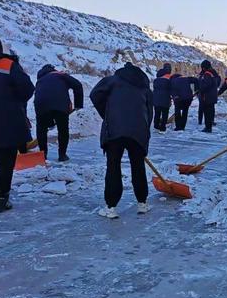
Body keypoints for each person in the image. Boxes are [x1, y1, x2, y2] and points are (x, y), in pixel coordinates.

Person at [90, 62, 154, 219]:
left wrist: (107, 113)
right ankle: (142, 204)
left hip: (115, 130)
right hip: (138, 131)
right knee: (138, 166)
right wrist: (144, 130)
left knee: (113, 166)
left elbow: (95, 95)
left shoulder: (113, 81)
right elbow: (150, 112)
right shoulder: (145, 88)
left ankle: (111, 207)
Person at [0, 32, 34, 212]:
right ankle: (2, 199)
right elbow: (26, 89)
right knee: (5, 161)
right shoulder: (7, 65)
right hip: (6, 123)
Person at [34, 64, 83, 161]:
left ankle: (42, 156)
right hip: (60, 104)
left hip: (41, 105)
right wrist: (78, 104)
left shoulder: (40, 80)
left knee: (41, 129)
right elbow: (77, 85)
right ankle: (62, 155)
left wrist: (49, 122)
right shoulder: (60, 75)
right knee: (63, 129)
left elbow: (41, 97)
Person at [198, 60, 221, 133]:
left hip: (207, 96)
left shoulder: (207, 74)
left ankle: (208, 127)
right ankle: (209, 126)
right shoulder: (213, 74)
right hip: (212, 96)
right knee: (210, 111)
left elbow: (206, 85)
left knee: (207, 112)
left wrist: (201, 89)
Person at [152, 63, 172, 132]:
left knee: (157, 113)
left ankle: (156, 126)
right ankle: (163, 128)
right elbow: (171, 89)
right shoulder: (169, 79)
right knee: (165, 114)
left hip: (156, 99)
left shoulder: (156, 79)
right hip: (165, 100)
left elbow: (154, 89)